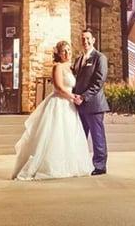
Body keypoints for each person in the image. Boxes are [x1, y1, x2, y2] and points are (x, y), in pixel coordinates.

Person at [12, 41, 94, 180]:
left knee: (68, 135)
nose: (67, 53)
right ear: (58, 53)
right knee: (54, 134)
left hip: (69, 105)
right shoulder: (57, 67)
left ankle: (68, 165)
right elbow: (59, 87)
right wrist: (73, 97)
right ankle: (44, 167)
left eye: (69, 50)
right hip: (59, 103)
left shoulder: (70, 67)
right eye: (64, 51)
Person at [73, 29, 109, 175]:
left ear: (93, 40)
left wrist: (83, 96)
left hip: (94, 105)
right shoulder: (78, 59)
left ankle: (100, 166)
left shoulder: (100, 58)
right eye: (83, 39)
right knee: (80, 138)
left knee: (97, 137)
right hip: (79, 105)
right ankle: (81, 164)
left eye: (88, 39)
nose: (85, 41)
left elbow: (99, 81)